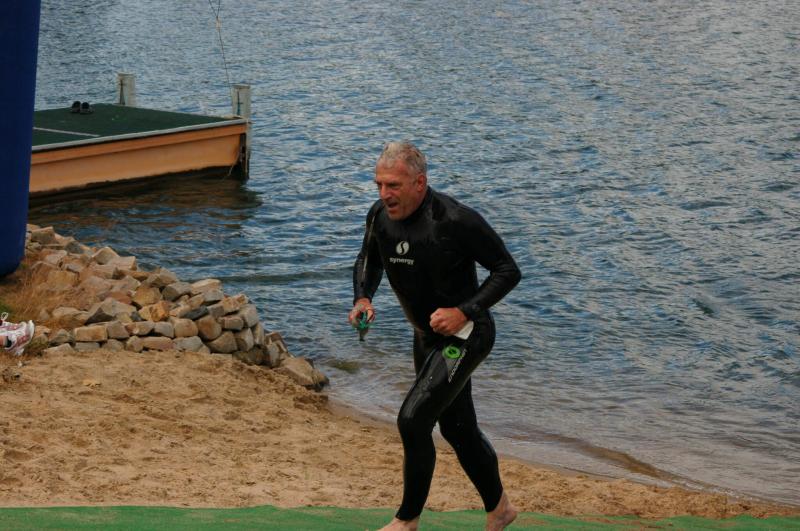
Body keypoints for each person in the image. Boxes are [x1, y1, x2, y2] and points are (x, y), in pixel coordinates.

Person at [348, 142, 521, 531]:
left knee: (413, 421)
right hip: (425, 336)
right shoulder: (379, 216)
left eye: (393, 185)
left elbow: (507, 270)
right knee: (458, 429)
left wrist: (464, 311)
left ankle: (406, 521)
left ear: (419, 183)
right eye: (379, 185)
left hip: (467, 335)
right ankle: (500, 510)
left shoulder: (455, 220)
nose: (384, 194)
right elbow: (368, 260)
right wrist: (363, 298)